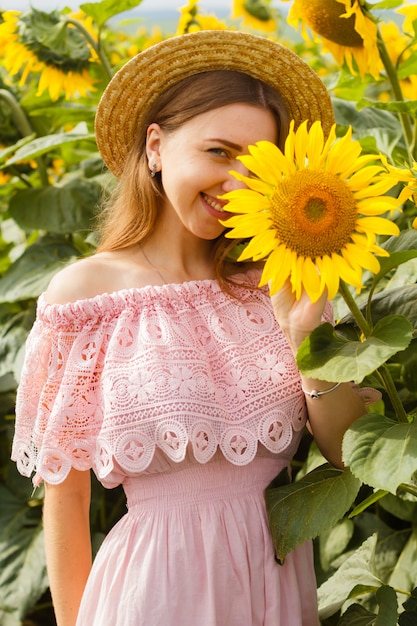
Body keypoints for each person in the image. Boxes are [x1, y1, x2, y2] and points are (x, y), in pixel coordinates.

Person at [12, 29, 371, 626]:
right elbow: (67, 497)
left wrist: (306, 337)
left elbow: (347, 456)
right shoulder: (86, 297)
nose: (236, 186)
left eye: (258, 167)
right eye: (219, 152)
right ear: (156, 145)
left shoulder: (281, 279)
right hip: (156, 591)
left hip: (276, 584)